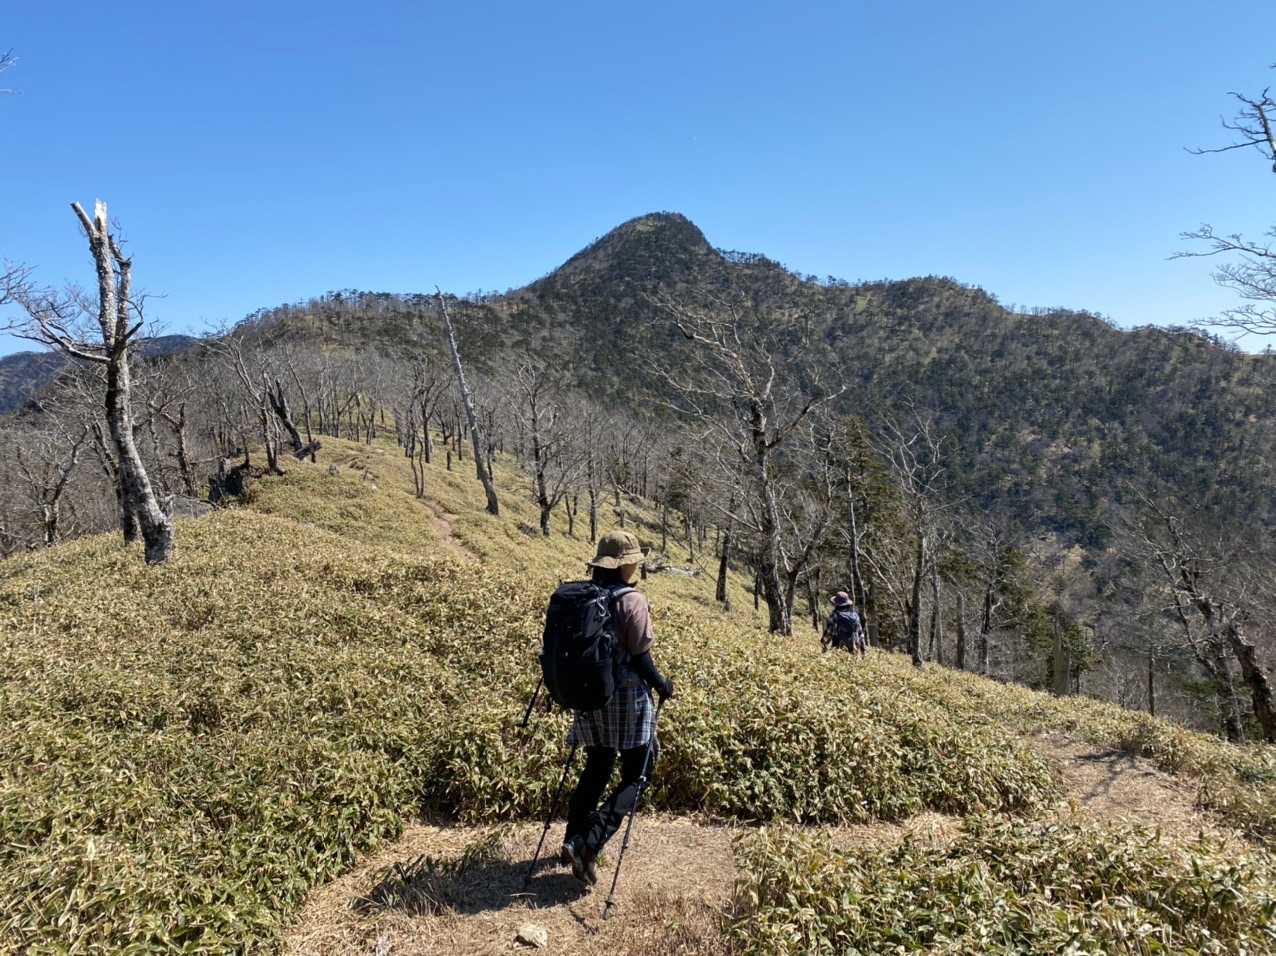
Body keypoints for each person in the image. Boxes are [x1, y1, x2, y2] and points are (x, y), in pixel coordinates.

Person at [561, 529, 674, 887]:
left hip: (589, 695)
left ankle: (573, 838)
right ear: (625, 566)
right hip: (625, 698)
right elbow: (641, 657)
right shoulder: (632, 600)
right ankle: (589, 842)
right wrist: (663, 684)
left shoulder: (584, 595)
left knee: (597, 766)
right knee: (639, 773)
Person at [821, 591, 867, 657]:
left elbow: (828, 634)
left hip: (839, 650)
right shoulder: (855, 615)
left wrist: (824, 647)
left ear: (836, 604)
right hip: (855, 649)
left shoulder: (835, 615)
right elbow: (861, 634)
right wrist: (863, 652)